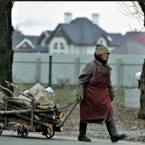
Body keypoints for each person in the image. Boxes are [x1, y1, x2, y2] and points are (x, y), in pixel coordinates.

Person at [76, 44, 127, 143]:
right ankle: (82, 135)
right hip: (90, 94)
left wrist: (111, 94)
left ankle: (114, 135)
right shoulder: (91, 66)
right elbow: (81, 81)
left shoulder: (107, 67)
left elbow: (108, 83)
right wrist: (79, 94)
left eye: (107, 54)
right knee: (86, 114)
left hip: (103, 94)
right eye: (104, 54)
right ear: (99, 55)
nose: (106, 56)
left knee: (109, 111)